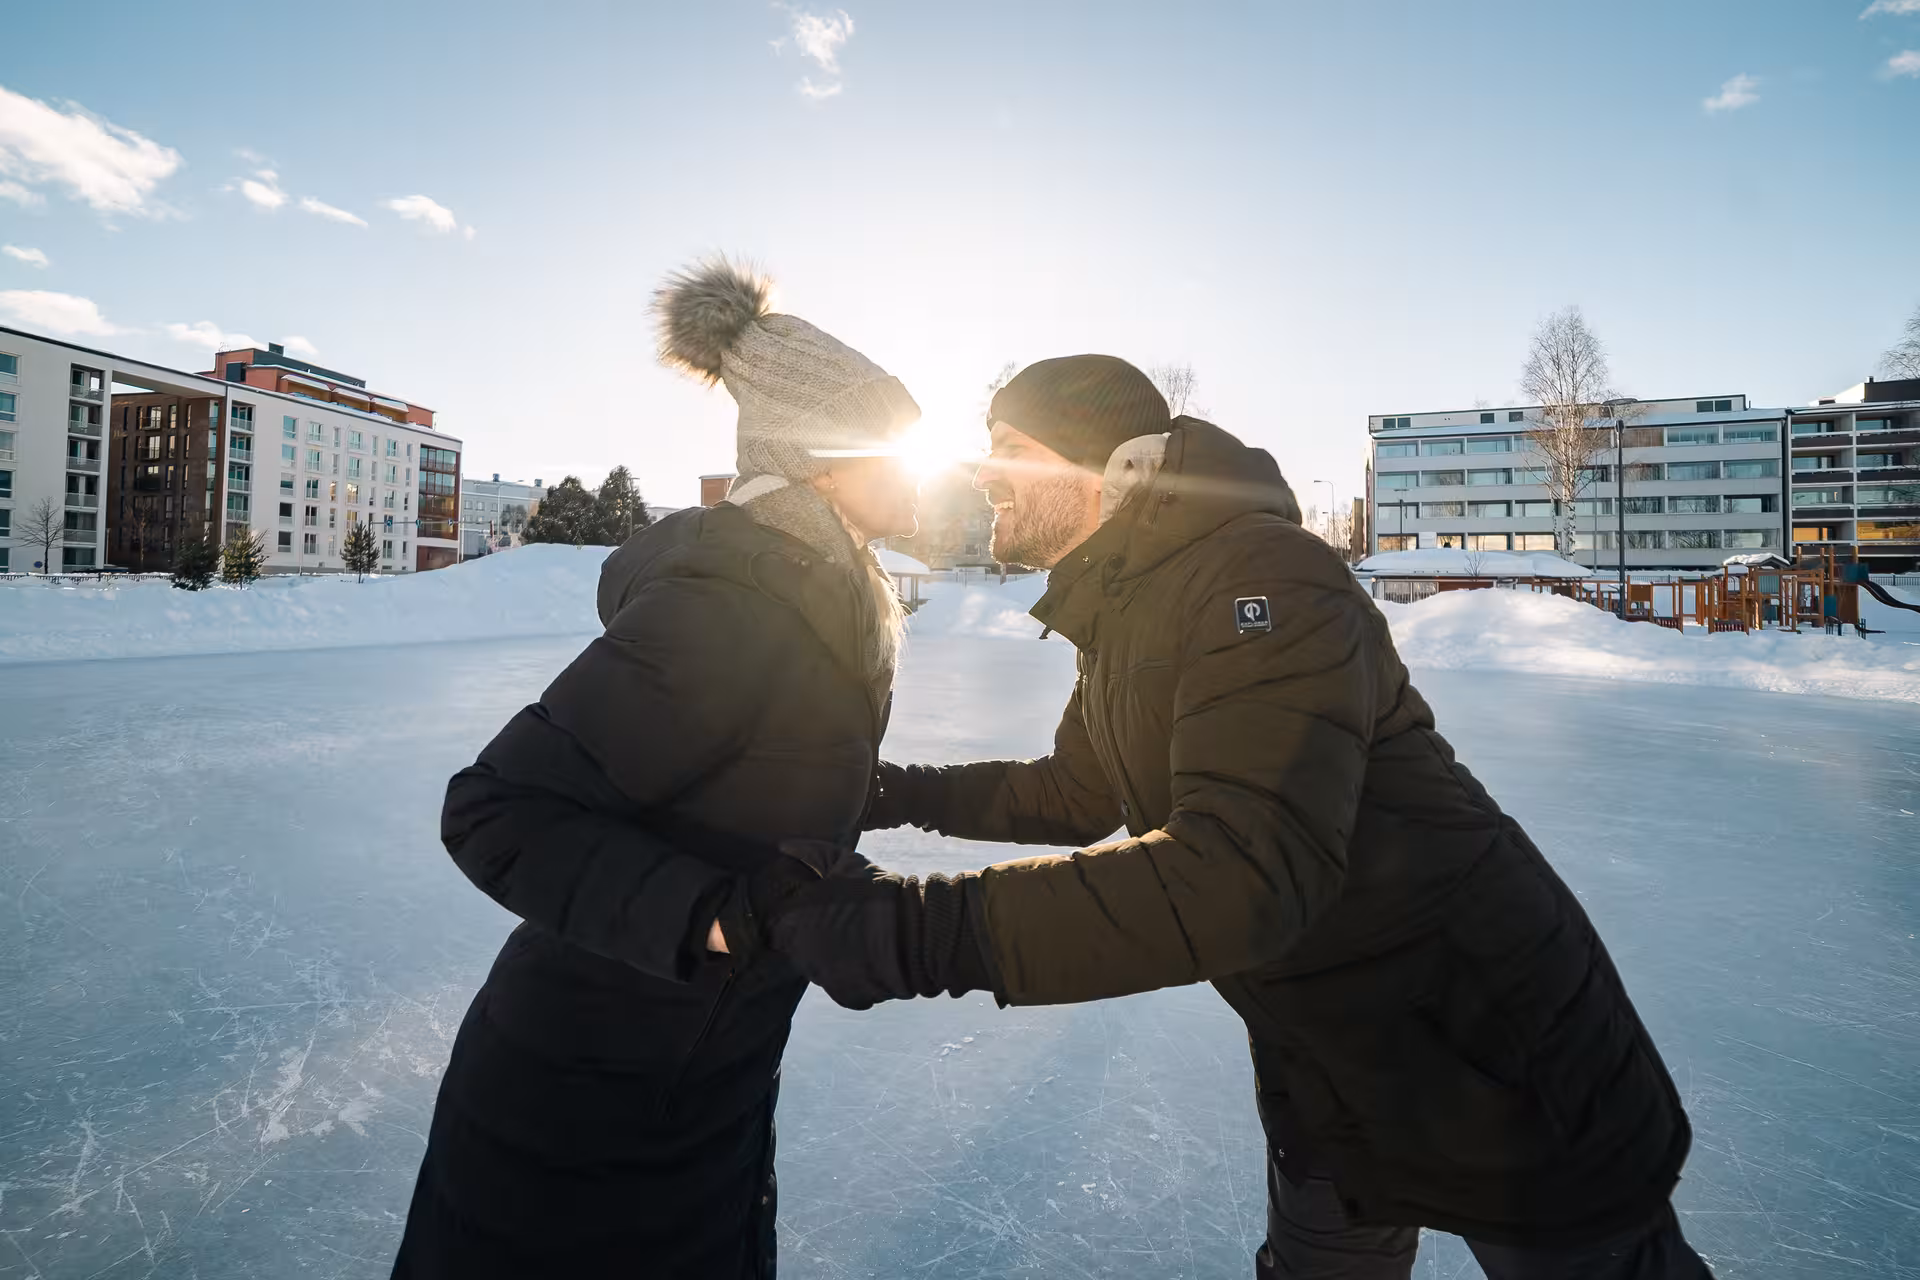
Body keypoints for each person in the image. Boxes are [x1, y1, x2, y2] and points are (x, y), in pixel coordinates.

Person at [764, 355, 1715, 1279]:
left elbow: (1241, 874)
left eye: (1008, 443)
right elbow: (1072, 793)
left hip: (1494, 1056)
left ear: (1102, 459)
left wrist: (912, 931)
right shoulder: (1129, 606)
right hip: (1330, 1062)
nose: (981, 471)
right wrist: (886, 790)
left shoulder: (1265, 576)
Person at [391, 258, 921, 1279]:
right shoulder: (732, 607)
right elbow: (495, 809)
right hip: (575, 1110)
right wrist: (716, 913)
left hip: (697, 1082)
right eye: (887, 444)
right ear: (815, 453)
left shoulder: (830, 599)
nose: (914, 466)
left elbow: (770, 768)